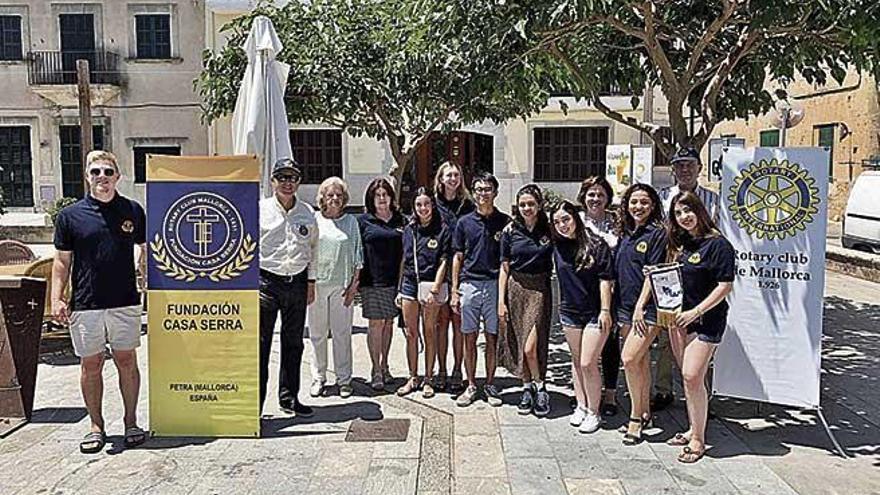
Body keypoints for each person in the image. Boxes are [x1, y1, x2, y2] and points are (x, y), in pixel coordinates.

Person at [52, 150, 147, 453]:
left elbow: (145, 250)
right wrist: (57, 298)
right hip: (86, 303)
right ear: (87, 177)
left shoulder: (132, 210)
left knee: (126, 361)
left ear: (118, 177)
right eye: (96, 172)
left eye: (108, 172)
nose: (102, 177)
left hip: (125, 301)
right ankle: (96, 427)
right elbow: (61, 263)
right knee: (90, 365)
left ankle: (131, 422)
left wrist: (147, 275)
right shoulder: (70, 216)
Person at [654, 191, 734, 463]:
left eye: (688, 210)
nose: (684, 217)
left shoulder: (718, 244)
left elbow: (725, 286)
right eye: (678, 213)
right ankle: (692, 428)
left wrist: (696, 311)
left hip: (706, 321)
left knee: (691, 376)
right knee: (691, 380)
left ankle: (699, 441)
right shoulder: (682, 244)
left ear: (699, 210)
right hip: (680, 321)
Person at [653, 146, 720, 411]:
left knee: (702, 335)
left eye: (689, 164)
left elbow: (719, 235)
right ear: (673, 169)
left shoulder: (713, 200)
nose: (684, 169)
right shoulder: (662, 197)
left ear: (700, 168)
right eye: (679, 165)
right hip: (670, 273)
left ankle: (703, 395)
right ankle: (663, 389)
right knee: (669, 335)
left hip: (703, 275)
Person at [259, 158, 317, 417]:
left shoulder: (307, 212)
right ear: (272, 181)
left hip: (297, 282)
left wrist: (312, 282)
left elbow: (314, 250)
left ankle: (289, 398)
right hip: (266, 283)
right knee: (260, 345)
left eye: (292, 178)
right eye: (281, 177)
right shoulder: (259, 210)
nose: (287, 183)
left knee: (294, 343)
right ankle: (255, 405)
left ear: (298, 182)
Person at [552, 201, 615, 432]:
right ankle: (581, 404)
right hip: (569, 312)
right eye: (557, 222)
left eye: (566, 219)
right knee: (577, 361)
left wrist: (606, 310)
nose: (562, 225)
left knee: (589, 362)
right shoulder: (557, 245)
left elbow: (606, 279)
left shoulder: (596, 244)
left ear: (576, 218)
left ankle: (594, 411)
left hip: (595, 313)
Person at [450, 171, 510, 407]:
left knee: (492, 337)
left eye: (487, 189)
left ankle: (491, 384)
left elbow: (508, 260)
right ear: (473, 194)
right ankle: (472, 384)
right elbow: (457, 256)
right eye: (478, 190)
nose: (483, 194)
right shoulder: (464, 223)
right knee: (469, 336)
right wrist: (455, 290)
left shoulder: (504, 222)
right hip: (469, 285)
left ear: (495, 192)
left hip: (494, 285)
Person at [616, 183, 667, 445]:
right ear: (626, 205)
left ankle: (635, 419)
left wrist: (640, 306)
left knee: (628, 358)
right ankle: (645, 409)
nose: (638, 207)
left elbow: (654, 272)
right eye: (634, 202)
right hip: (624, 307)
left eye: (644, 202)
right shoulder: (625, 232)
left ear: (653, 205)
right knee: (641, 360)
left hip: (647, 309)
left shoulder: (657, 233)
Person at [497, 184, 553, 416]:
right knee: (520, 342)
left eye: (531, 204)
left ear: (539, 205)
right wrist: (501, 300)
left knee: (531, 346)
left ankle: (541, 388)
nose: (527, 208)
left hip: (539, 289)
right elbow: (504, 267)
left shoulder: (549, 230)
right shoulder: (510, 231)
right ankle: (527, 388)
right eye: (522, 205)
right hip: (516, 288)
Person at [309, 177, 362, 399]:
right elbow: (307, 252)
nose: (334, 199)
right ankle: (319, 377)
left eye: (338, 195)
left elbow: (358, 256)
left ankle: (344, 379)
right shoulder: (314, 220)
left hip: (342, 286)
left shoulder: (351, 222)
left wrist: (353, 286)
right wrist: (308, 284)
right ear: (322, 197)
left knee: (342, 334)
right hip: (317, 285)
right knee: (318, 334)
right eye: (330, 194)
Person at [396, 187, 451, 398]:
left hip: (431, 286)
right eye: (419, 205)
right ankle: (413, 377)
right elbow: (403, 259)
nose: (423, 208)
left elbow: (444, 260)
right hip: (410, 283)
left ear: (432, 205)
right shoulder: (409, 229)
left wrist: (436, 288)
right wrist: (400, 288)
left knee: (430, 332)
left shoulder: (442, 229)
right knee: (411, 333)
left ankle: (428, 378)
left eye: (426, 204)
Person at [577, 176, 621, 416]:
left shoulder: (617, 223)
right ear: (583, 197)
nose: (595, 199)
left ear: (607, 199)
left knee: (610, 343)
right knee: (585, 347)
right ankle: (586, 395)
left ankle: (611, 394)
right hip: (585, 291)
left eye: (600, 195)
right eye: (591, 194)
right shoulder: (577, 222)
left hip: (613, 291)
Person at [358, 177, 406, 390]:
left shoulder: (401, 220)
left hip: (394, 281)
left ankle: (385, 365)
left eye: (385, 194)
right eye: (377, 195)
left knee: (388, 324)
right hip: (372, 281)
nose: (382, 198)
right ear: (371, 199)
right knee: (376, 324)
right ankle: (375, 368)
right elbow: (357, 252)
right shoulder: (363, 221)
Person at [434, 161, 474, 393]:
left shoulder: (467, 205)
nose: (452, 179)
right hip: (438, 271)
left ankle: (458, 369)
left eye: (456, 175)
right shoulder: (434, 203)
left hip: (462, 270)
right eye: (448, 175)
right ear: (440, 179)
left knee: (459, 325)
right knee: (440, 325)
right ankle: (441, 370)